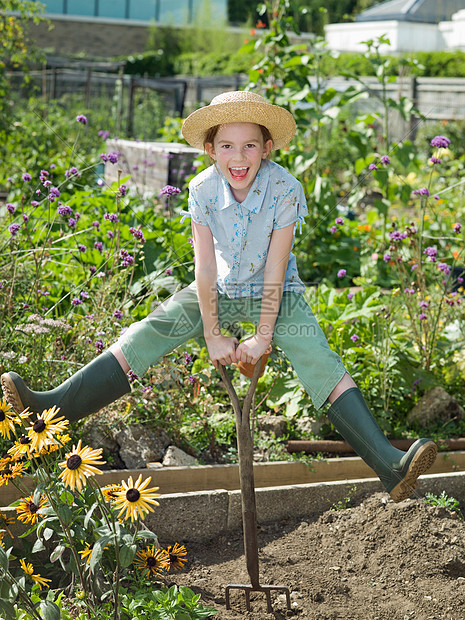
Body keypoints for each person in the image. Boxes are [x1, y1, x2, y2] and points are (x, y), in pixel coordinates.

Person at [1, 91, 437, 503]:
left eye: (250, 146)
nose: (238, 157)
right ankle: (53, 411)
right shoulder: (202, 190)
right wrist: (212, 335)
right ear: (211, 150)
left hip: (276, 293)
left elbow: (276, 269)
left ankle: (390, 466)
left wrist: (262, 339)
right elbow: (205, 269)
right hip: (222, 289)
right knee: (150, 331)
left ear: (267, 148)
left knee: (318, 359)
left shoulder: (284, 189)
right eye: (226, 146)